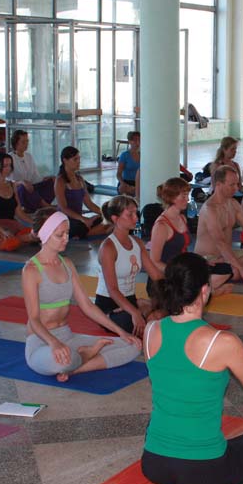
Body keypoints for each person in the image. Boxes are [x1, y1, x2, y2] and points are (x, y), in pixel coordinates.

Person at [142, 252, 243, 484]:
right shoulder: (223, 341)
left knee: (237, 441)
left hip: (154, 464)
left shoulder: (150, 330)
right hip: (204, 472)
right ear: (205, 290)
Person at [23, 209, 141, 382]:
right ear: (45, 235)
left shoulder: (67, 264)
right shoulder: (31, 270)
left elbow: (87, 305)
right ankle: (83, 357)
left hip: (68, 337)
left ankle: (77, 367)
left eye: (67, 233)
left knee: (133, 346)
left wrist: (121, 332)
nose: (66, 238)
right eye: (60, 235)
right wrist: (54, 343)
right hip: (41, 342)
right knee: (60, 361)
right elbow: (33, 319)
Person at [95, 196, 162, 336]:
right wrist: (134, 312)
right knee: (148, 325)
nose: (136, 218)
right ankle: (113, 317)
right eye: (130, 214)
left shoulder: (137, 242)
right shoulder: (108, 247)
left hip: (130, 301)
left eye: (136, 213)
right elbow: (112, 290)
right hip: (109, 304)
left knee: (167, 313)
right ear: (115, 218)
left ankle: (141, 308)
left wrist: (177, 290)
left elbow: (156, 275)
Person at [0, 152, 37, 250]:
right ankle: (18, 239)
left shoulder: (12, 185)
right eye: (4, 166)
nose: (8, 169)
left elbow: (19, 212)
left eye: (10, 165)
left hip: (12, 225)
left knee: (36, 234)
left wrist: (35, 222)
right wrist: (3, 231)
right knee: (11, 242)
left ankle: (22, 239)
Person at [55, 146, 110, 239]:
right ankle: (93, 232)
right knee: (80, 227)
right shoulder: (60, 181)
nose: (78, 162)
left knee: (106, 219)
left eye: (79, 159)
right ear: (65, 160)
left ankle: (91, 232)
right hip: (66, 220)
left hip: (79, 220)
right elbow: (63, 208)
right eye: (75, 159)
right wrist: (84, 219)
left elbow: (89, 204)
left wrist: (104, 213)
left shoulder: (80, 179)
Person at [10, 129, 56, 212]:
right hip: (19, 190)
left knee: (52, 181)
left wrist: (45, 178)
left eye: (27, 141)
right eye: (23, 142)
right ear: (16, 143)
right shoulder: (10, 158)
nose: (26, 144)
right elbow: (8, 182)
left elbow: (35, 176)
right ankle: (43, 205)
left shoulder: (28, 156)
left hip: (31, 188)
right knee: (23, 188)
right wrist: (22, 182)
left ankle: (38, 205)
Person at [117, 131, 141, 199]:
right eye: (135, 140)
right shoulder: (124, 155)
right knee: (122, 188)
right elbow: (118, 174)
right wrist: (123, 183)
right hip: (127, 183)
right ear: (129, 141)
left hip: (139, 183)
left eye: (139, 140)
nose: (137, 142)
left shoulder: (143, 154)